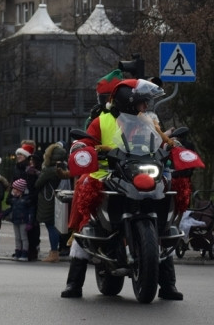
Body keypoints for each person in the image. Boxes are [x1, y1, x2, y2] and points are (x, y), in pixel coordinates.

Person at [61, 78, 182, 299]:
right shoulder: (101, 121)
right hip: (107, 173)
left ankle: (168, 284)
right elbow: (85, 142)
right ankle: (74, 283)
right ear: (128, 102)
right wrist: (84, 148)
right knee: (87, 215)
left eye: (146, 103)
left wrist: (172, 145)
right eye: (142, 103)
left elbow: (160, 141)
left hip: (142, 172)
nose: (145, 107)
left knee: (163, 221)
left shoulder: (147, 121)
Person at [35, 142, 70, 262]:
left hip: (48, 202)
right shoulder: (64, 167)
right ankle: (57, 251)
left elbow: (37, 184)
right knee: (57, 227)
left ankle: (53, 252)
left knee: (51, 227)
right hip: (58, 200)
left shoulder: (49, 170)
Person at [5, 178, 33, 261]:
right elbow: (11, 209)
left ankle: (24, 253)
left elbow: (31, 212)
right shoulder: (15, 199)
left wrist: (30, 222)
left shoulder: (26, 200)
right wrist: (3, 214)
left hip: (23, 221)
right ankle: (18, 252)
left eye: (15, 189)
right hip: (15, 220)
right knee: (17, 237)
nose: (13, 191)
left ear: (20, 190)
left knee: (23, 237)